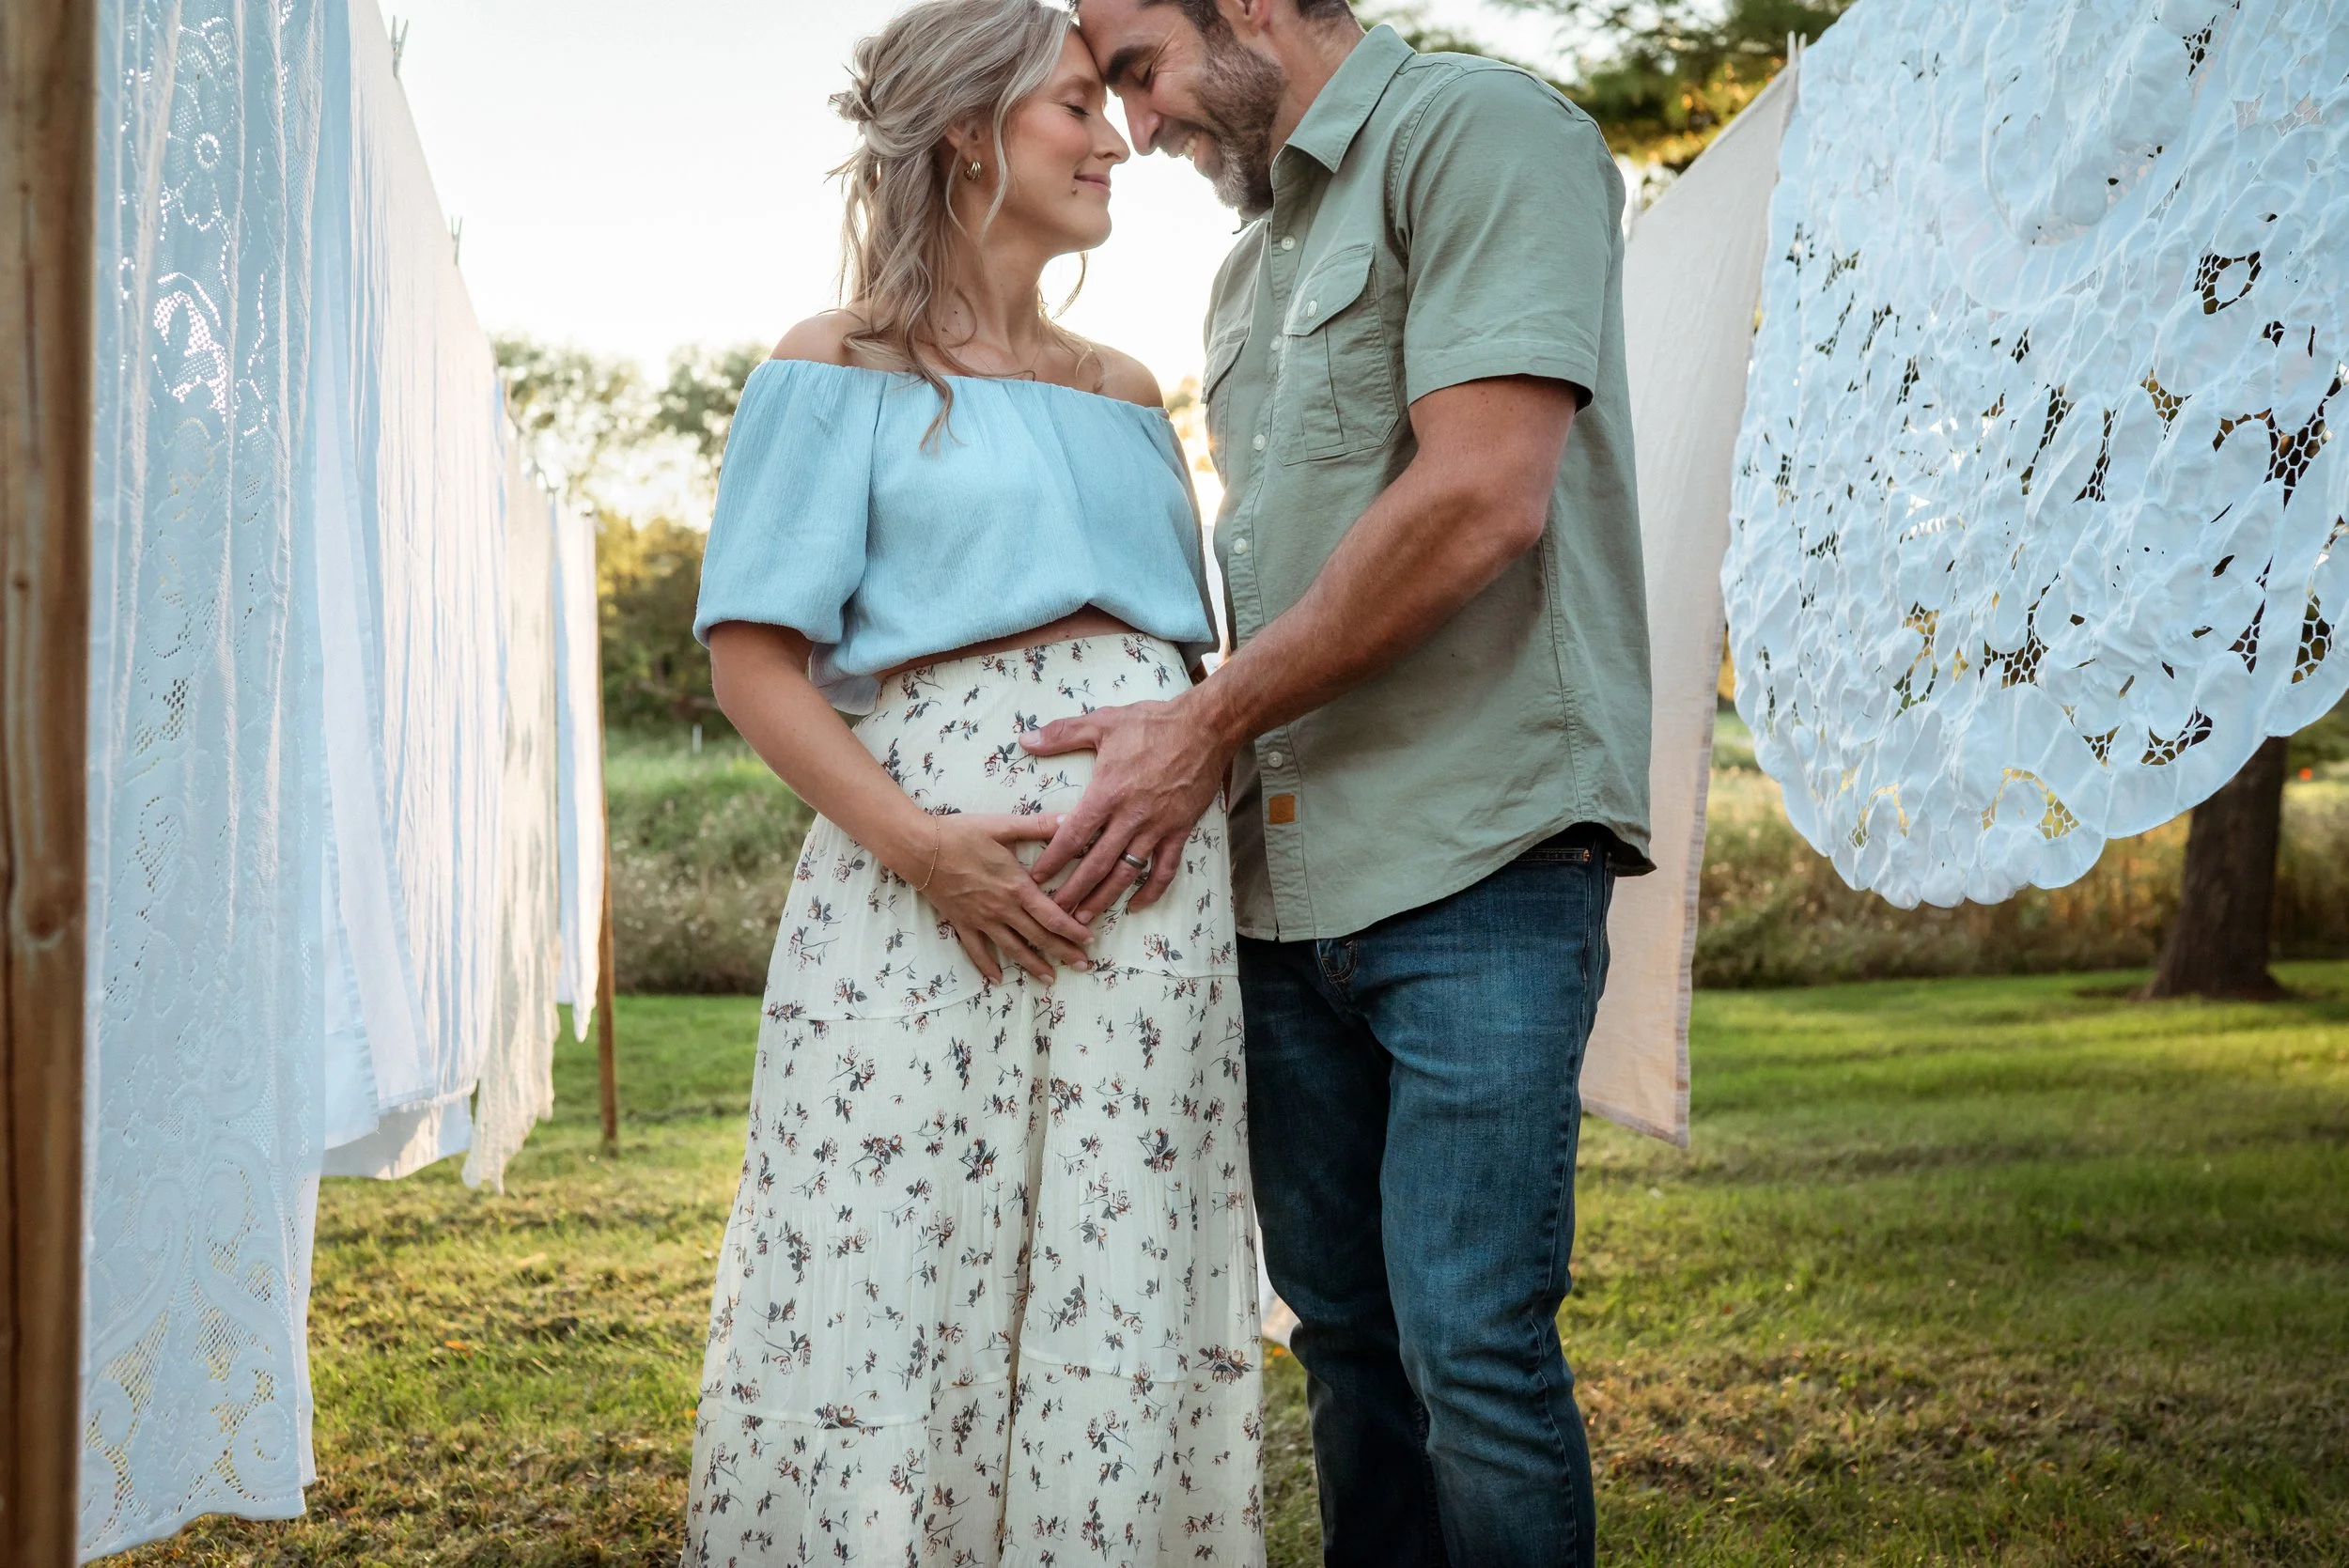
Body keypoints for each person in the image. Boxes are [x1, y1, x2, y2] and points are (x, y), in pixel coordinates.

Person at [1041, 2, 1654, 1564]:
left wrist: (1204, 726)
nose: (1136, 122)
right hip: (1277, 889)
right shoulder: (1250, 269)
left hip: (1482, 858)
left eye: (1137, 68)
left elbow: (1481, 499)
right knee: (1350, 1350)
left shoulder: (1481, 134)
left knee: (1473, 1354)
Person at [681, 3, 1263, 1561]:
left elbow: (1179, 668)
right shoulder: (836, 368)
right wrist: (924, 847)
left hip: (1146, 910)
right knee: (893, 1261)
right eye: (1076, 106)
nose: (1114, 138)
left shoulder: (1135, 392)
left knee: (1120, 1262)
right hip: (919, 892)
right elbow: (753, 663)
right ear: (965, 133)